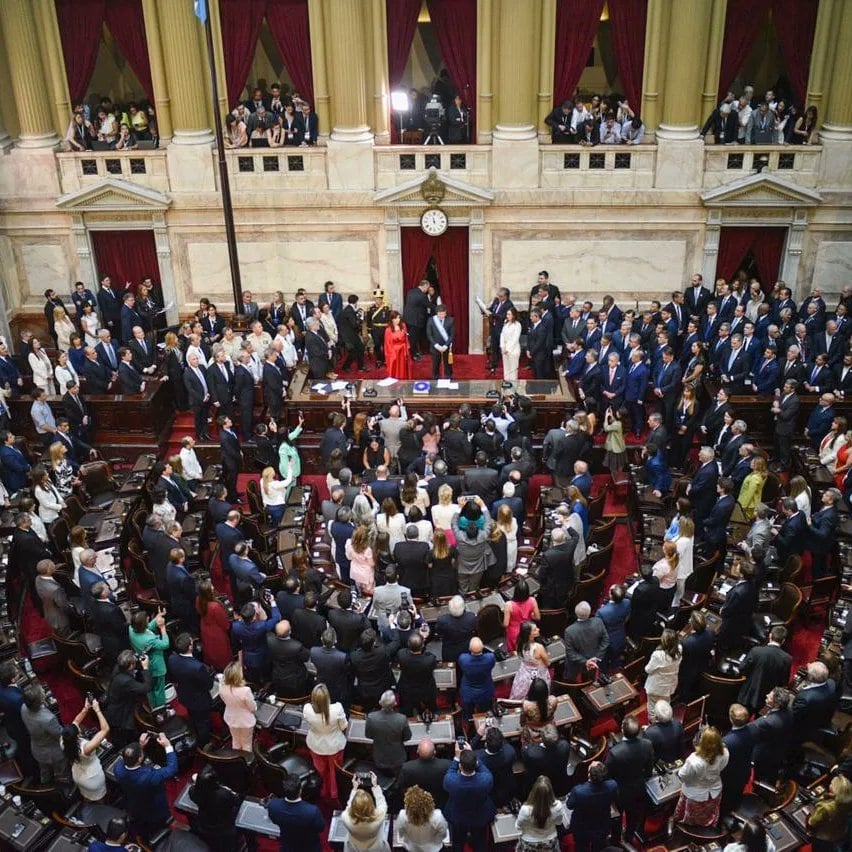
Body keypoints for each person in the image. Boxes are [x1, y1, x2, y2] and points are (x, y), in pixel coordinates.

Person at [113, 732, 178, 839]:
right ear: (139, 759)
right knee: (156, 825)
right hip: (154, 809)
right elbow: (172, 768)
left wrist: (140, 745)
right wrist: (168, 746)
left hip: (133, 805)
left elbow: (127, 758)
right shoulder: (149, 777)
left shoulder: (117, 768)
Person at [605, 716, 654, 844]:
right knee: (633, 817)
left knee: (617, 817)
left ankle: (615, 840)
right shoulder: (647, 745)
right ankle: (628, 839)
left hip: (620, 792)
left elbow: (607, 775)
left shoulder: (615, 752)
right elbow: (649, 770)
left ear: (622, 729)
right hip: (638, 788)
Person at [443, 745, 496, 852]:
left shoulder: (451, 781)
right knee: (480, 839)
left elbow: (450, 772)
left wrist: (456, 758)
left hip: (458, 816)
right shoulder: (486, 779)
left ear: (460, 767)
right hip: (480, 816)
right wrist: (473, 755)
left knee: (458, 840)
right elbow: (483, 769)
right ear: (476, 764)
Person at [674, 726, 729, 827]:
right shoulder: (725, 752)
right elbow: (722, 767)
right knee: (709, 814)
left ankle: (690, 831)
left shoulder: (694, 760)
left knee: (692, 822)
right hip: (714, 790)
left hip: (696, 795)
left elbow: (683, 776)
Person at [166, 633, 214, 747]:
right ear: (190, 647)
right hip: (200, 701)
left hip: (184, 695)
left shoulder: (172, 659)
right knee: (203, 723)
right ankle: (205, 744)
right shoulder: (198, 667)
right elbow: (209, 685)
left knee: (194, 717)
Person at [303, 683, 347, 800]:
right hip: (335, 746)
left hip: (316, 745)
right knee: (334, 772)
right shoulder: (337, 708)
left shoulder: (307, 709)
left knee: (321, 770)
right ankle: (334, 793)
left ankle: (322, 789)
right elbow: (344, 726)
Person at [61, 697, 109, 802]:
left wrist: (85, 708)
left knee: (86, 795)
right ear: (78, 735)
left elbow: (76, 722)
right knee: (100, 799)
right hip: (92, 778)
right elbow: (105, 729)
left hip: (78, 775)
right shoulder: (85, 748)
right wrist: (97, 710)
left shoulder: (63, 740)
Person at [21, 683, 69, 787]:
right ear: (40, 700)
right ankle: (63, 791)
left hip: (37, 749)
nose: (44, 691)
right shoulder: (47, 719)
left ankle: (45, 787)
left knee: (45, 773)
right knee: (62, 774)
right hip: (54, 753)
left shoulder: (23, 708)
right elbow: (60, 734)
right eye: (42, 692)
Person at [738, 625, 792, 713]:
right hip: (768, 699)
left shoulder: (756, 651)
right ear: (783, 641)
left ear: (770, 636)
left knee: (742, 716)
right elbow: (784, 682)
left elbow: (742, 668)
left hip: (749, 694)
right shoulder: (787, 659)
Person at [566, 762, 619, 852]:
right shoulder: (612, 785)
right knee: (599, 847)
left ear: (589, 775)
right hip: (602, 824)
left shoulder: (578, 791)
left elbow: (569, 805)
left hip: (582, 827)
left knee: (581, 847)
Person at [188, 764, 241, 849]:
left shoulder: (193, 791)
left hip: (204, 824)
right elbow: (236, 801)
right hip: (224, 828)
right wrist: (230, 791)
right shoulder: (223, 794)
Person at [267, 774, 325, 852]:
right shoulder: (312, 811)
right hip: (309, 847)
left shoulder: (273, 806)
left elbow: (274, 820)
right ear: (300, 790)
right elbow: (321, 828)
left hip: (288, 846)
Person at [513, 774, 570, 852]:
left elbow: (518, 826)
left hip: (529, 842)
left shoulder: (525, 809)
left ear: (534, 792)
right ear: (551, 792)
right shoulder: (558, 806)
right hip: (550, 842)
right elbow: (559, 823)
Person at [128, 609, 169, 709]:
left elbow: (147, 628)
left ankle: (152, 706)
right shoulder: (149, 640)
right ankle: (160, 710)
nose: (149, 619)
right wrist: (162, 628)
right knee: (159, 689)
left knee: (149, 687)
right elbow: (165, 644)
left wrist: (158, 616)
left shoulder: (131, 629)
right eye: (147, 619)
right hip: (156, 666)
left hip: (144, 664)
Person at [341, 771, 390, 852]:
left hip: (354, 848)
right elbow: (382, 803)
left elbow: (349, 806)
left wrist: (354, 789)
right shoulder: (379, 817)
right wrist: (375, 785)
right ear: (371, 805)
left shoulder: (345, 817)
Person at [365, 689, 410, 774]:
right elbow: (407, 737)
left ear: (380, 702)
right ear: (395, 704)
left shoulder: (371, 717)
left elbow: (368, 735)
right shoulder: (402, 719)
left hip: (379, 758)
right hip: (398, 758)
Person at [563, 601, 609, 681]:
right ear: (590, 612)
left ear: (576, 613)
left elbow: (570, 653)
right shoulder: (598, 622)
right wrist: (597, 657)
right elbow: (605, 640)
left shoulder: (569, 631)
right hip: (594, 661)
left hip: (576, 665)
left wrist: (586, 661)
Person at [396, 785, 449, 852]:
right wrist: (434, 841)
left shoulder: (402, 815)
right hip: (433, 849)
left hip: (411, 848)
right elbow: (443, 834)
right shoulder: (438, 816)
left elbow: (401, 833)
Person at [806, 774, 852, 852]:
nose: (830, 784)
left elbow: (812, 822)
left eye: (831, 784)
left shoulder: (825, 807)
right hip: (837, 834)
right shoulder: (847, 804)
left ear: (834, 791)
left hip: (822, 837)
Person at [219, 660, 257, 752]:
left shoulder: (222, 688)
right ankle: (246, 762)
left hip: (231, 718)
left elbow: (225, 701)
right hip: (245, 721)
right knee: (246, 743)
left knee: (235, 740)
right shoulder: (246, 690)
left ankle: (236, 759)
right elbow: (253, 708)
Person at [644, 629, 682, 720]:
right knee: (665, 707)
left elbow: (647, 670)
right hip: (669, 686)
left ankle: (652, 726)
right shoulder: (679, 650)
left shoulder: (658, 655)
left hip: (656, 687)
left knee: (652, 709)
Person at [510, 621, 551, 698]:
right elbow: (548, 663)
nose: (538, 629)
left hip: (524, 672)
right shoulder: (538, 647)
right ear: (529, 634)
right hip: (538, 673)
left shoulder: (519, 643)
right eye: (535, 630)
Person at [458, 637, 496, 717]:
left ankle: (469, 723)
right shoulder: (490, 658)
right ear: (482, 647)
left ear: (469, 648)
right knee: (484, 712)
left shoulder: (463, 659)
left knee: (468, 712)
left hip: (468, 691)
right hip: (485, 690)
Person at [503, 579, 539, 653]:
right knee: (528, 650)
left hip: (514, 633)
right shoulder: (532, 600)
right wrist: (530, 615)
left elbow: (505, 624)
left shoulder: (508, 605)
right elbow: (537, 617)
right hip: (528, 630)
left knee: (515, 653)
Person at [427, 305, 454, 379]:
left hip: (447, 347)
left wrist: (446, 345)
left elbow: (452, 335)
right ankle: (435, 378)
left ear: (446, 313)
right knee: (435, 364)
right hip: (435, 347)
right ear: (437, 313)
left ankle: (449, 377)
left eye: (443, 314)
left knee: (448, 364)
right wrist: (436, 345)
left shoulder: (450, 320)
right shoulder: (431, 320)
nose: (442, 315)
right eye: (440, 314)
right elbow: (429, 334)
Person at [385, 310, 413, 378]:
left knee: (403, 367)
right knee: (395, 369)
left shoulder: (403, 326)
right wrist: (392, 355)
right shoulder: (388, 330)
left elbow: (406, 339)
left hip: (403, 351)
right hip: (394, 352)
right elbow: (388, 344)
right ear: (391, 319)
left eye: (399, 318)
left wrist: (407, 349)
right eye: (396, 318)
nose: (398, 320)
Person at [500, 308, 522, 381]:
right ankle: (506, 386)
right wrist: (502, 347)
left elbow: (515, 339)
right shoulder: (506, 323)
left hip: (513, 350)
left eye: (509, 314)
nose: (507, 316)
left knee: (513, 370)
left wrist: (508, 349)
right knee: (506, 369)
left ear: (513, 315)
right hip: (504, 349)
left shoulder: (517, 325)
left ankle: (513, 388)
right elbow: (502, 335)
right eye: (507, 314)